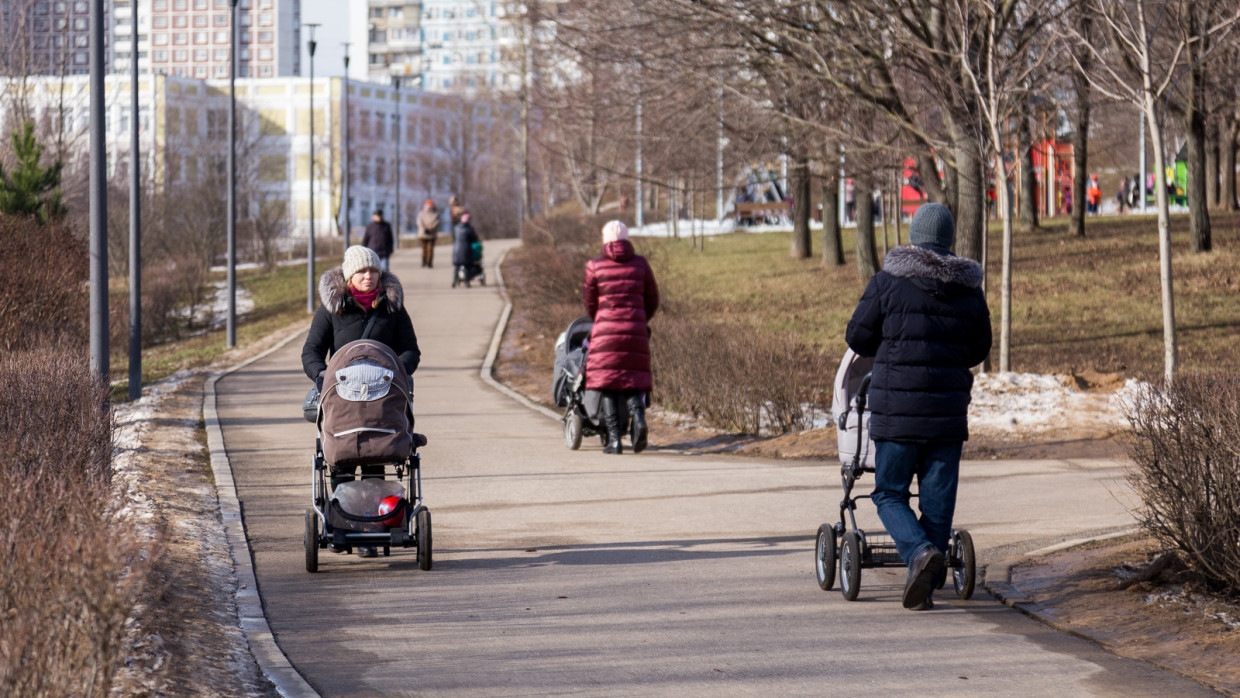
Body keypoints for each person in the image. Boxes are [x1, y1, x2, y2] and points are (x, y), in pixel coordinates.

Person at [845, 203, 991, 610]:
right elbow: (979, 348)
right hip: (947, 414)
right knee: (938, 501)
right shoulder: (969, 290)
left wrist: (891, 346)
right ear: (948, 240)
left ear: (914, 237)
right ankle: (924, 583)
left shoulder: (887, 282)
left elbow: (857, 337)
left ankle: (919, 554)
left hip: (897, 411)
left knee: (889, 493)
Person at [302, 245, 421, 557]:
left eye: (373, 271)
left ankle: (372, 525)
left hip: (381, 395)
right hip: (343, 399)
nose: (368, 277)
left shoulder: (392, 308)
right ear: (348, 276)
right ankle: (341, 523)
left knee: (375, 457)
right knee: (341, 459)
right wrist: (322, 377)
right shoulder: (332, 310)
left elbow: (411, 350)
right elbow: (311, 352)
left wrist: (395, 372)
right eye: (361, 272)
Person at [582, 220, 660, 455]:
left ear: (605, 240)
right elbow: (653, 298)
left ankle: (614, 440)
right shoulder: (641, 264)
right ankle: (638, 418)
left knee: (607, 384)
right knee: (632, 380)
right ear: (626, 239)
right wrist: (639, 319)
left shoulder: (594, 266)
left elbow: (589, 301)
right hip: (635, 330)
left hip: (605, 332)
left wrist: (601, 319)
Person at [416, 199, 440, 269]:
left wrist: (425, 229)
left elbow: (419, 223)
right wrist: (429, 229)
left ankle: (425, 263)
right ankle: (428, 263)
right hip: (429, 234)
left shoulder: (421, 213)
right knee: (429, 249)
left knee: (425, 250)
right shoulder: (435, 214)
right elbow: (436, 223)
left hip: (425, 233)